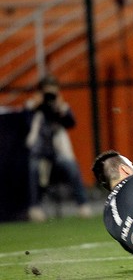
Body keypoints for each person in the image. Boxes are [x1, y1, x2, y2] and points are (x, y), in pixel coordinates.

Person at [24, 75, 91, 222]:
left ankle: (83, 205)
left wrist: (60, 109)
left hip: (57, 153)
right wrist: (36, 107)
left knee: (71, 166)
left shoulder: (60, 107)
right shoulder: (33, 107)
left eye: (52, 93)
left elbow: (71, 123)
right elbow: (25, 125)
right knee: (34, 167)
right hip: (39, 153)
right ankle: (35, 208)